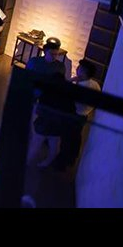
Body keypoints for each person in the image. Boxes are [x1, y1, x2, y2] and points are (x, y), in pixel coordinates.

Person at [26, 38, 76, 167]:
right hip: (34, 95)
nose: (55, 56)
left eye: (56, 54)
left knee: (38, 129)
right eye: (52, 54)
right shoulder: (34, 62)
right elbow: (27, 77)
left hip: (47, 101)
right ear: (45, 51)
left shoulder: (60, 66)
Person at [51, 59, 102, 171]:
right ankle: (72, 159)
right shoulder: (95, 84)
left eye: (79, 68)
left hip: (74, 114)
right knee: (75, 138)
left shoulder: (81, 87)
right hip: (84, 115)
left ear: (84, 71)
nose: (77, 69)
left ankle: (61, 163)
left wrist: (71, 80)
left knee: (67, 139)